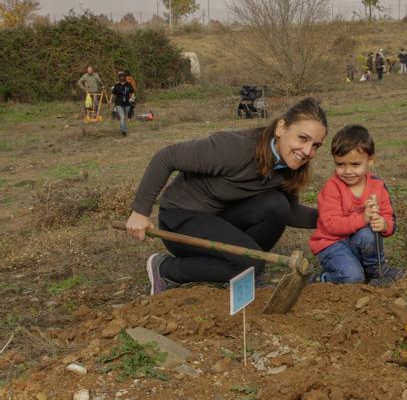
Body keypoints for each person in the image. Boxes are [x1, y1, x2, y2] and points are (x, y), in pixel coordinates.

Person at [124, 97, 328, 295]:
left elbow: (290, 212)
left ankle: (243, 271)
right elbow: (166, 158)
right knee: (252, 262)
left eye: (316, 145)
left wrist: (336, 219)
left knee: (276, 205)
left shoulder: (288, 167)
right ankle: (166, 269)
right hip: (181, 220)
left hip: (219, 219)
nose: (308, 151)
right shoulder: (234, 149)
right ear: (281, 128)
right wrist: (140, 211)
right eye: (303, 138)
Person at [308, 124, 404, 284]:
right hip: (332, 244)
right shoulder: (332, 188)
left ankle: (377, 270)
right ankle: (321, 279)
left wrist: (384, 225)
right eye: (340, 164)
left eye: (355, 165)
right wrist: (362, 218)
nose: (347, 171)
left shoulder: (377, 186)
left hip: (357, 242)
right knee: (353, 278)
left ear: (370, 160)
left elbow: (389, 217)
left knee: (368, 234)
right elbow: (331, 225)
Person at [110, 71, 135, 136]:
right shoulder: (117, 85)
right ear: (119, 78)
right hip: (119, 104)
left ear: (124, 77)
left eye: (123, 77)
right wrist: (110, 101)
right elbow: (113, 93)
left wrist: (132, 98)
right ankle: (124, 131)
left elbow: (132, 92)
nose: (121, 78)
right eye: (120, 77)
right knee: (122, 117)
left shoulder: (128, 85)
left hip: (127, 104)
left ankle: (123, 128)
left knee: (125, 118)